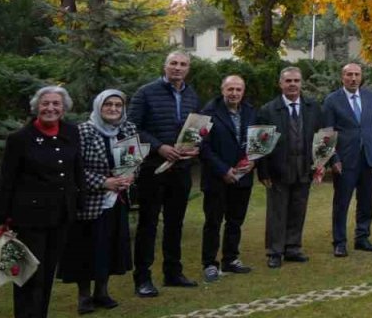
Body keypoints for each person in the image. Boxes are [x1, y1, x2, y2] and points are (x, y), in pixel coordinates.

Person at [0, 86, 84, 318]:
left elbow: (76, 171)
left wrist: (78, 202)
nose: (50, 108)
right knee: (28, 277)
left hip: (60, 216)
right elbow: (6, 181)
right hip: (28, 219)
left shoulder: (72, 132)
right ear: (36, 107)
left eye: (56, 103)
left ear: (63, 108)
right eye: (45, 103)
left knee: (47, 276)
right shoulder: (19, 139)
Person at [127, 51, 200, 296]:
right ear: (165, 66)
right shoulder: (145, 92)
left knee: (175, 224)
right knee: (148, 225)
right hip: (153, 170)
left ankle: (173, 273)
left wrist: (194, 147)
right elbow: (132, 127)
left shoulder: (191, 94)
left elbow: (194, 129)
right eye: (173, 64)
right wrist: (159, 147)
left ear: (188, 69)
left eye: (183, 64)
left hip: (181, 170)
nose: (178, 68)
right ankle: (143, 278)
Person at [59, 90, 133, 314]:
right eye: (108, 105)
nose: (113, 109)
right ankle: (84, 297)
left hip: (117, 200)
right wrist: (103, 182)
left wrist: (130, 176)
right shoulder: (83, 131)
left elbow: (133, 160)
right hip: (90, 201)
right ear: (98, 107)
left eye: (117, 105)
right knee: (86, 249)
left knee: (110, 247)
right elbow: (74, 168)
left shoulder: (127, 129)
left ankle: (102, 291)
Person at [255, 67, 322, 269]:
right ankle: (275, 251)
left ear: (301, 83)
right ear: (281, 84)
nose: (292, 84)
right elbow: (260, 145)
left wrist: (320, 163)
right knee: (277, 212)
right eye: (288, 81)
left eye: (296, 80)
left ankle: (292, 247)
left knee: (298, 209)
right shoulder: (268, 110)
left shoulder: (313, 107)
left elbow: (321, 136)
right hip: (278, 168)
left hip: (304, 166)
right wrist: (263, 171)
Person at [323, 63, 372, 257]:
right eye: (349, 75)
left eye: (357, 75)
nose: (353, 78)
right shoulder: (332, 100)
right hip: (345, 160)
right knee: (341, 202)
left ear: (361, 77)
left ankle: (362, 237)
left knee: (366, 200)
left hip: (369, 157)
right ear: (342, 77)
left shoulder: (370, 97)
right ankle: (339, 242)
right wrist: (333, 159)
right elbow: (327, 132)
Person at [198, 76, 256, 282]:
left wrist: (253, 161)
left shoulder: (250, 111)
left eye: (238, 89)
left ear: (243, 91)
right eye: (230, 89)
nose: (234, 93)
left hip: (243, 177)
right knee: (213, 222)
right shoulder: (209, 112)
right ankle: (209, 264)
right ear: (222, 90)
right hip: (217, 177)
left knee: (235, 221)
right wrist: (223, 170)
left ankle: (230, 259)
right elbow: (203, 147)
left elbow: (257, 141)